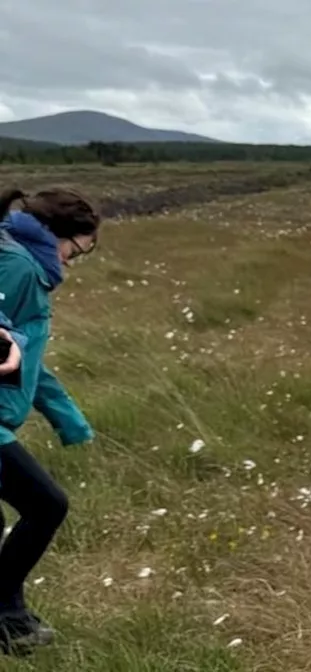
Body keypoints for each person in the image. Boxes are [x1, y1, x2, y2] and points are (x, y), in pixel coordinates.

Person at [0, 187, 98, 655]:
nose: (72, 264)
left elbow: (27, 362)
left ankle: (11, 622)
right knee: (46, 505)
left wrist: (70, 421)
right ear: (57, 235)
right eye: (75, 251)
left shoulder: (27, 267)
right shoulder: (17, 267)